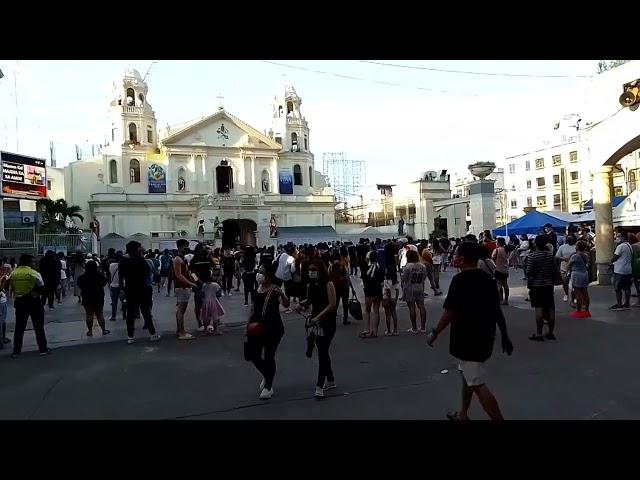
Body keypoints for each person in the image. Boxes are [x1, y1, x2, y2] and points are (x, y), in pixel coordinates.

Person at [427, 241, 513, 421]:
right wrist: (505, 335)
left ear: (463, 258)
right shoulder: (488, 280)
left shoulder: (459, 280)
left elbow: (450, 312)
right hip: (485, 335)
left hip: (467, 338)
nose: (454, 257)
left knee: (477, 383)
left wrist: (435, 332)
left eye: (457, 254)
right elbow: (497, 311)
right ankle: (463, 414)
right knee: (468, 376)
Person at [247, 262, 289, 400]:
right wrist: (247, 326)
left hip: (273, 328)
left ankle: (268, 386)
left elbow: (286, 304)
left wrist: (282, 295)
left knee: (269, 355)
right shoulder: (257, 288)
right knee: (253, 355)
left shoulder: (274, 290)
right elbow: (253, 309)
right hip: (257, 327)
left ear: (269, 275)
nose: (259, 274)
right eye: (258, 271)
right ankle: (267, 375)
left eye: (262, 272)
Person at [297, 259, 337, 399]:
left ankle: (320, 385)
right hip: (316, 322)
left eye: (314, 270)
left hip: (327, 321)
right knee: (322, 351)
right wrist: (300, 304)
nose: (311, 273)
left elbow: (332, 304)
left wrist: (318, 317)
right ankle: (330, 378)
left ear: (320, 270)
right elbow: (309, 301)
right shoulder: (311, 286)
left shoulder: (329, 284)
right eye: (310, 270)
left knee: (322, 351)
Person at [7, 255, 53, 358]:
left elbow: (10, 286)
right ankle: (43, 349)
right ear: (28, 262)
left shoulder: (13, 273)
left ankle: (16, 351)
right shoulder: (34, 273)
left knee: (19, 327)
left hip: (19, 302)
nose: (34, 263)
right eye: (33, 262)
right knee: (38, 326)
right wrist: (37, 293)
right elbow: (42, 286)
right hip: (34, 302)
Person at [119, 241, 161, 344]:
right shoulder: (140, 259)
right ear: (136, 248)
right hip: (142, 289)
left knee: (130, 313)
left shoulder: (123, 260)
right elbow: (147, 271)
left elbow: (121, 276)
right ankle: (152, 334)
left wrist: (122, 289)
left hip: (129, 289)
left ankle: (130, 336)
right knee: (146, 312)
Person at [526, 235, 556, 341]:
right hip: (548, 284)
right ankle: (550, 332)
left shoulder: (532, 256)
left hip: (536, 285)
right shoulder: (550, 255)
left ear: (536, 243)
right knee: (550, 308)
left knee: (539, 308)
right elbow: (553, 269)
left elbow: (529, 271)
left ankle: (539, 333)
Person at [76, 261, 110, 337]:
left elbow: (80, 285)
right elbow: (104, 283)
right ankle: (104, 330)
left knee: (89, 314)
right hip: (98, 296)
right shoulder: (100, 276)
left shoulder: (81, 277)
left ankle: (90, 331)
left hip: (87, 297)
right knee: (99, 313)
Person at [172, 239, 198, 339]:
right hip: (182, 287)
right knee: (181, 310)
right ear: (181, 247)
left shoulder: (183, 258)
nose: (187, 248)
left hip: (184, 286)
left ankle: (180, 330)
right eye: (185, 246)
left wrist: (194, 281)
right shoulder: (177, 259)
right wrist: (190, 283)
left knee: (181, 309)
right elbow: (179, 275)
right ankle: (182, 332)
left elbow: (188, 272)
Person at [402, 250, 428, 333]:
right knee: (421, 306)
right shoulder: (422, 266)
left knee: (412, 307)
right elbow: (424, 277)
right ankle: (423, 327)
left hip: (410, 287)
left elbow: (404, 278)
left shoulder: (408, 266)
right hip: (420, 287)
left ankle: (414, 328)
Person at [359, 250, 384, 338]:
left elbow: (363, 280)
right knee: (376, 311)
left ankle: (367, 329)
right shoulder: (380, 268)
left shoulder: (365, 268)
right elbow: (382, 281)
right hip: (378, 292)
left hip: (368, 292)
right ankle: (375, 331)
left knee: (367, 310)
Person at [190, 244, 213, 331]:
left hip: (208, 283)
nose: (204, 251)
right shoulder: (194, 260)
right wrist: (198, 281)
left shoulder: (208, 258)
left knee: (208, 304)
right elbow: (192, 273)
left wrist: (210, 256)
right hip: (198, 285)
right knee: (198, 304)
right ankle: (200, 323)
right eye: (202, 249)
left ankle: (208, 323)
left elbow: (213, 267)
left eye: (205, 249)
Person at [609, 230, 633, 311]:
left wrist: (611, 261)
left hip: (619, 270)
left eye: (619, 236)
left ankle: (619, 304)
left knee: (618, 288)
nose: (617, 237)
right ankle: (627, 304)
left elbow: (615, 257)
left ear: (623, 237)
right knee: (627, 287)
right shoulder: (629, 245)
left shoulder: (621, 246)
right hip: (628, 270)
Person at [567, 240, 591, 318]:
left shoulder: (575, 256)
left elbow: (569, 265)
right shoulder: (587, 255)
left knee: (578, 293)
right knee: (585, 292)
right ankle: (587, 310)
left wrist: (568, 272)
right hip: (584, 274)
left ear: (577, 247)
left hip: (576, 274)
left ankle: (579, 311)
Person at [328, 251, 351, 326]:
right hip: (344, 287)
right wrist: (352, 288)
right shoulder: (343, 266)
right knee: (345, 304)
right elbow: (347, 278)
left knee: (335, 304)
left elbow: (329, 277)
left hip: (335, 288)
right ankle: (345, 319)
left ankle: (332, 319)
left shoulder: (330, 267)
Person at [199, 269, 224, 335]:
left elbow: (202, 294)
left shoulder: (204, 285)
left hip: (205, 302)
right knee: (215, 316)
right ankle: (216, 330)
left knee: (206, 316)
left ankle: (205, 330)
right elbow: (219, 293)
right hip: (213, 301)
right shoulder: (215, 284)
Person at [555, 234, 577, 303]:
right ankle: (566, 294)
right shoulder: (562, 247)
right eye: (568, 238)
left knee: (574, 283)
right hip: (564, 267)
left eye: (571, 238)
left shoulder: (576, 246)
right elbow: (557, 256)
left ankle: (575, 296)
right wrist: (564, 258)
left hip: (574, 268)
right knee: (565, 282)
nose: (570, 239)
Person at [108, 251, 127, 321]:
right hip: (123, 285)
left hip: (113, 285)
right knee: (124, 301)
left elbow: (110, 273)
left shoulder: (111, 265)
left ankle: (113, 316)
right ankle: (124, 316)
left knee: (114, 302)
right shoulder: (124, 265)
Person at [491, 237, 510, 305]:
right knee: (505, 285)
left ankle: (501, 299)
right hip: (505, 270)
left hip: (498, 269)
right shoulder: (506, 249)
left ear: (498, 242)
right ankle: (506, 300)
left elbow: (492, 259)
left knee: (499, 285)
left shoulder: (496, 250)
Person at [382, 265, 399, 336]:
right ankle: (395, 330)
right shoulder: (396, 281)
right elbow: (397, 290)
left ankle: (389, 330)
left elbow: (388, 291)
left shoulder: (386, 281)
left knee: (388, 315)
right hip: (394, 298)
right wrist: (396, 298)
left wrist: (388, 300)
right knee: (394, 314)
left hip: (386, 298)